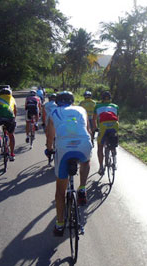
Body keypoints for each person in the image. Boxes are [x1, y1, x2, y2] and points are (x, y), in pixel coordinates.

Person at [45, 91, 92, 236]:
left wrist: (49, 149)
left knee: (60, 192)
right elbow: (88, 131)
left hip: (64, 149)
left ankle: (60, 225)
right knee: (86, 161)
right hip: (84, 144)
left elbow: (50, 136)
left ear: (57, 102)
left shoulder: (53, 112)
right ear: (72, 101)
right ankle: (82, 188)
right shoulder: (81, 109)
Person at [93, 91, 119, 175]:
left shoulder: (97, 106)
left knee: (100, 146)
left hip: (103, 127)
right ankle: (114, 161)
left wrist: (96, 128)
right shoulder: (115, 106)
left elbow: (94, 119)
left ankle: (101, 167)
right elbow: (117, 119)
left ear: (102, 98)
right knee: (113, 143)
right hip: (114, 126)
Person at [0, 87, 17, 161]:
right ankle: (12, 154)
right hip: (10, 118)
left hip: (0, 118)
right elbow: (15, 110)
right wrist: (14, 118)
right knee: (11, 135)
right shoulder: (12, 98)